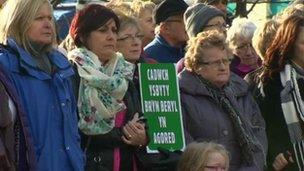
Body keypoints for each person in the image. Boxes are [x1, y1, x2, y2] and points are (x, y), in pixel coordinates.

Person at [0, 0, 84, 170]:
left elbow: (72, 132)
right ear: (18, 20)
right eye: (39, 18)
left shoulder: (62, 67)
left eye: (50, 18)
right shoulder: (5, 67)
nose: (48, 24)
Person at [67, 4, 148, 171]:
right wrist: (124, 134)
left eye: (114, 30)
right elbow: (80, 130)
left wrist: (144, 135)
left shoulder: (124, 71)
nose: (112, 36)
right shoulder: (72, 72)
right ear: (83, 36)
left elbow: (141, 116)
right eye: (103, 30)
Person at [179, 30, 267, 170]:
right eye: (215, 63)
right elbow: (183, 146)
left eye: (225, 61)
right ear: (197, 66)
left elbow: (258, 134)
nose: (222, 67)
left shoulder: (241, 91)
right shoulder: (182, 95)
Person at [251, 15, 304, 171]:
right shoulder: (271, 82)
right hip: (289, 164)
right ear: (290, 45)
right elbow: (261, 127)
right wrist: (278, 152)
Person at [177, 3, 226, 72]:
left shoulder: (232, 61)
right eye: (217, 25)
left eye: (224, 25)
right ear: (199, 32)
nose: (223, 29)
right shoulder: (185, 68)